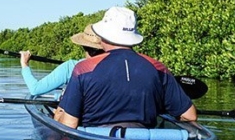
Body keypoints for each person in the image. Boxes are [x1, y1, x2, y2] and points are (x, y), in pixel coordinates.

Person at [54, 7, 197, 129]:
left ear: (102, 35)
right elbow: (189, 116)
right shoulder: (159, 68)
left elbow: (69, 124)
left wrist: (58, 116)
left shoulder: (83, 68)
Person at [19, 24, 104, 96]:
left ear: (83, 46)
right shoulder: (111, 66)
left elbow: (35, 89)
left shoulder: (70, 67)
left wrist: (25, 64)